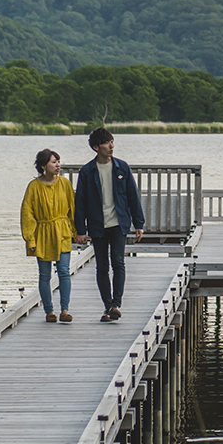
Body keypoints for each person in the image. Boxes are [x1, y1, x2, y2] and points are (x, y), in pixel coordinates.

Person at [75, 127, 145, 322]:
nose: (111, 146)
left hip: (118, 223)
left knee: (118, 262)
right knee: (102, 267)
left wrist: (139, 223)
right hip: (98, 225)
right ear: (96, 147)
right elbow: (79, 202)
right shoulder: (87, 171)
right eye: (106, 143)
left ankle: (116, 304)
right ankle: (108, 306)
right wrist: (80, 230)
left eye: (112, 142)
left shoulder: (122, 167)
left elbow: (133, 196)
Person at [21, 149, 86, 323]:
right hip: (42, 232)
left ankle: (65, 309)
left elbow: (73, 209)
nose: (58, 165)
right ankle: (49, 311)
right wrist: (30, 239)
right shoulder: (33, 187)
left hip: (62, 230)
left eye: (58, 161)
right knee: (44, 274)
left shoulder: (64, 184)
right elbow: (27, 214)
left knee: (64, 271)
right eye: (53, 162)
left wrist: (78, 231)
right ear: (43, 166)